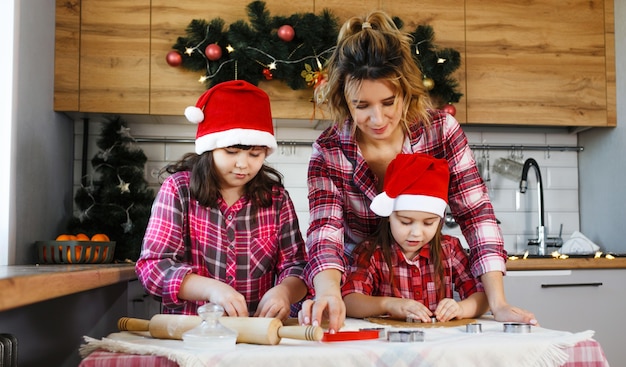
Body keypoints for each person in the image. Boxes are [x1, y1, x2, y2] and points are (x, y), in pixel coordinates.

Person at [300, 10, 536, 333]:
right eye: (361, 105)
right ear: (344, 100)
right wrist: (329, 292)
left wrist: (497, 302)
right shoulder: (329, 150)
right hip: (359, 299)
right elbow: (325, 231)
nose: (377, 118)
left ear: (406, 91)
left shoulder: (441, 131)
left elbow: (476, 215)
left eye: (388, 102)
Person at [136, 80, 308, 320]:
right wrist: (211, 289)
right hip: (192, 333)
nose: (243, 164)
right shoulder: (178, 190)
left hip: (257, 335)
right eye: (231, 152)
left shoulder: (277, 199)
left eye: (255, 154)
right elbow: (152, 269)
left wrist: (285, 292)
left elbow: (297, 266)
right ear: (210, 149)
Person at [342, 153, 488, 322]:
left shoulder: (449, 249)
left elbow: (483, 297)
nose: (416, 233)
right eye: (405, 222)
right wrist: (389, 304)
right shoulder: (372, 252)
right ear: (389, 215)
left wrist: (461, 308)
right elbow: (350, 301)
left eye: (428, 223)